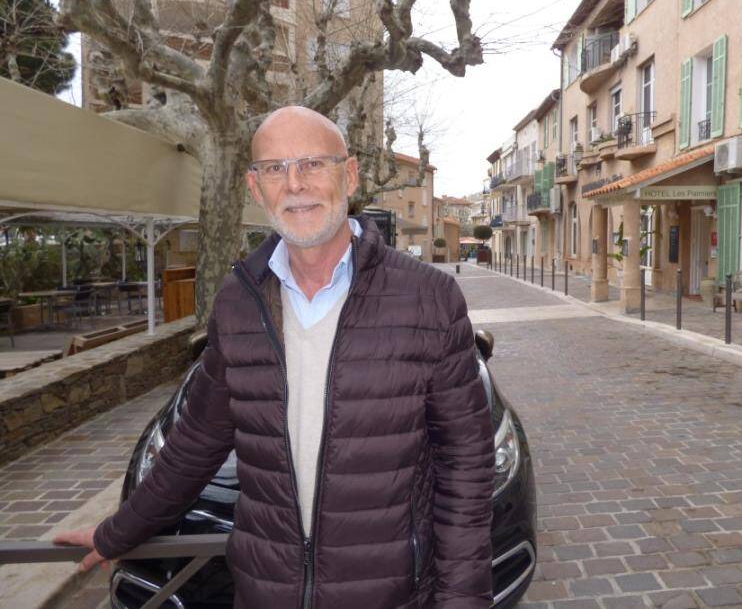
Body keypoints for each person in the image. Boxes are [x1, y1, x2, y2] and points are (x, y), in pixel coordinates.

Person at [55, 106, 495, 608]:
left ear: (348, 175)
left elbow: (466, 468)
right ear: (253, 186)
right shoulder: (237, 301)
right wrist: (117, 532)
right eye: (274, 168)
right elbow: (196, 441)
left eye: (312, 163)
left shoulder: (428, 297)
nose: (295, 184)